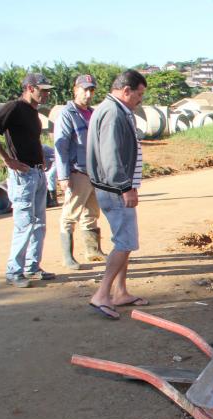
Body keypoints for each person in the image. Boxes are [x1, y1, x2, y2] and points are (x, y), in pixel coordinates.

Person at [0, 73, 56, 288]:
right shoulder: (14, 107)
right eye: (43, 89)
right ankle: (14, 271)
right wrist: (7, 159)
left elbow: (31, 140)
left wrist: (41, 160)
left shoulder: (33, 112)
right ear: (30, 88)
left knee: (39, 223)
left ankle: (32, 267)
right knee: (24, 224)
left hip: (37, 173)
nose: (47, 93)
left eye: (48, 90)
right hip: (23, 175)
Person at [86, 69, 149, 320]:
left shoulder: (113, 110)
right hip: (115, 190)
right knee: (124, 243)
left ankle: (120, 292)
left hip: (113, 188)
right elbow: (111, 156)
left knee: (126, 242)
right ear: (126, 91)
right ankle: (102, 294)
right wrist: (125, 187)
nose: (140, 100)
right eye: (139, 94)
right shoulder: (113, 113)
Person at [54, 74, 106, 270]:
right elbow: (61, 147)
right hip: (77, 172)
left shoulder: (92, 113)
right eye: (84, 89)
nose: (88, 93)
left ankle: (93, 251)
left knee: (92, 213)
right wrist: (63, 176)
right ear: (75, 89)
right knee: (70, 214)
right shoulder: (67, 114)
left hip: (94, 173)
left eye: (91, 90)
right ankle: (68, 257)